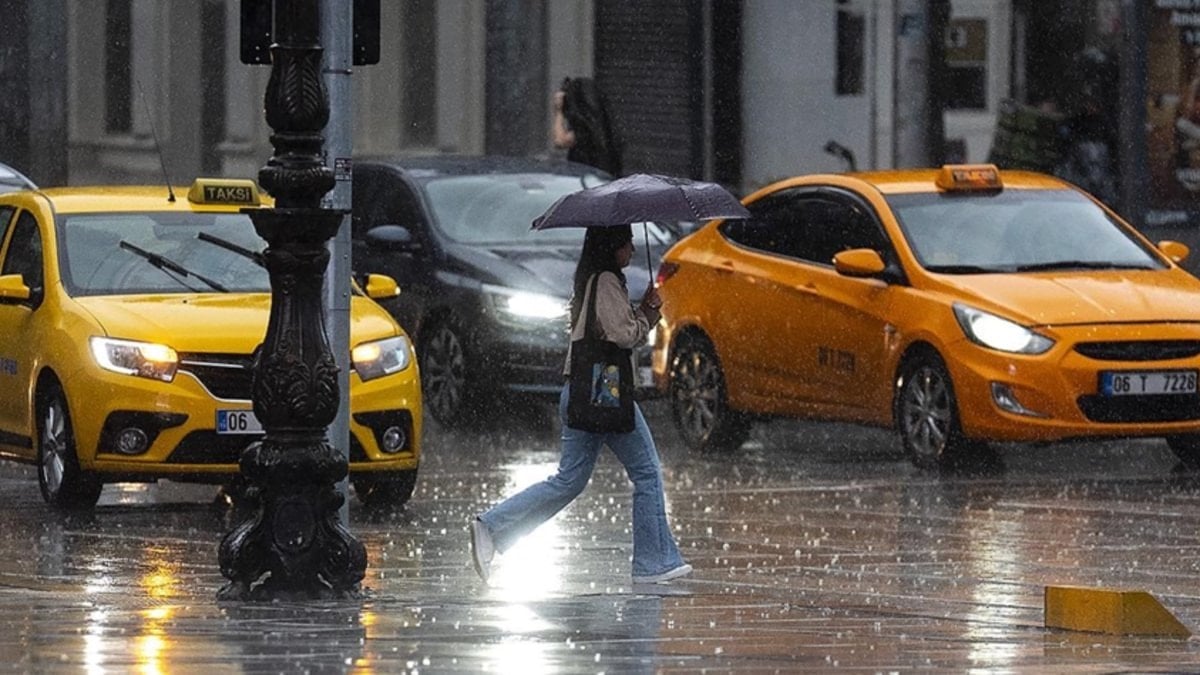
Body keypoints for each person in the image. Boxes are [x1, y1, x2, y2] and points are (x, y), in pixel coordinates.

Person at [470, 225, 691, 585]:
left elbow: (610, 328)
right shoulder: (605, 280)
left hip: (580, 389)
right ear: (612, 246)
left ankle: (492, 528)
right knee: (647, 472)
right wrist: (648, 312)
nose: (633, 249)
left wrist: (643, 312)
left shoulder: (592, 279)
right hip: (603, 388)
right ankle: (653, 563)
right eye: (627, 242)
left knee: (569, 480)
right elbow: (622, 335)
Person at [552, 76, 623, 176]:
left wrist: (558, 111)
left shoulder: (585, 127)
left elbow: (560, 141)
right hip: (603, 178)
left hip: (585, 179)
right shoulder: (604, 123)